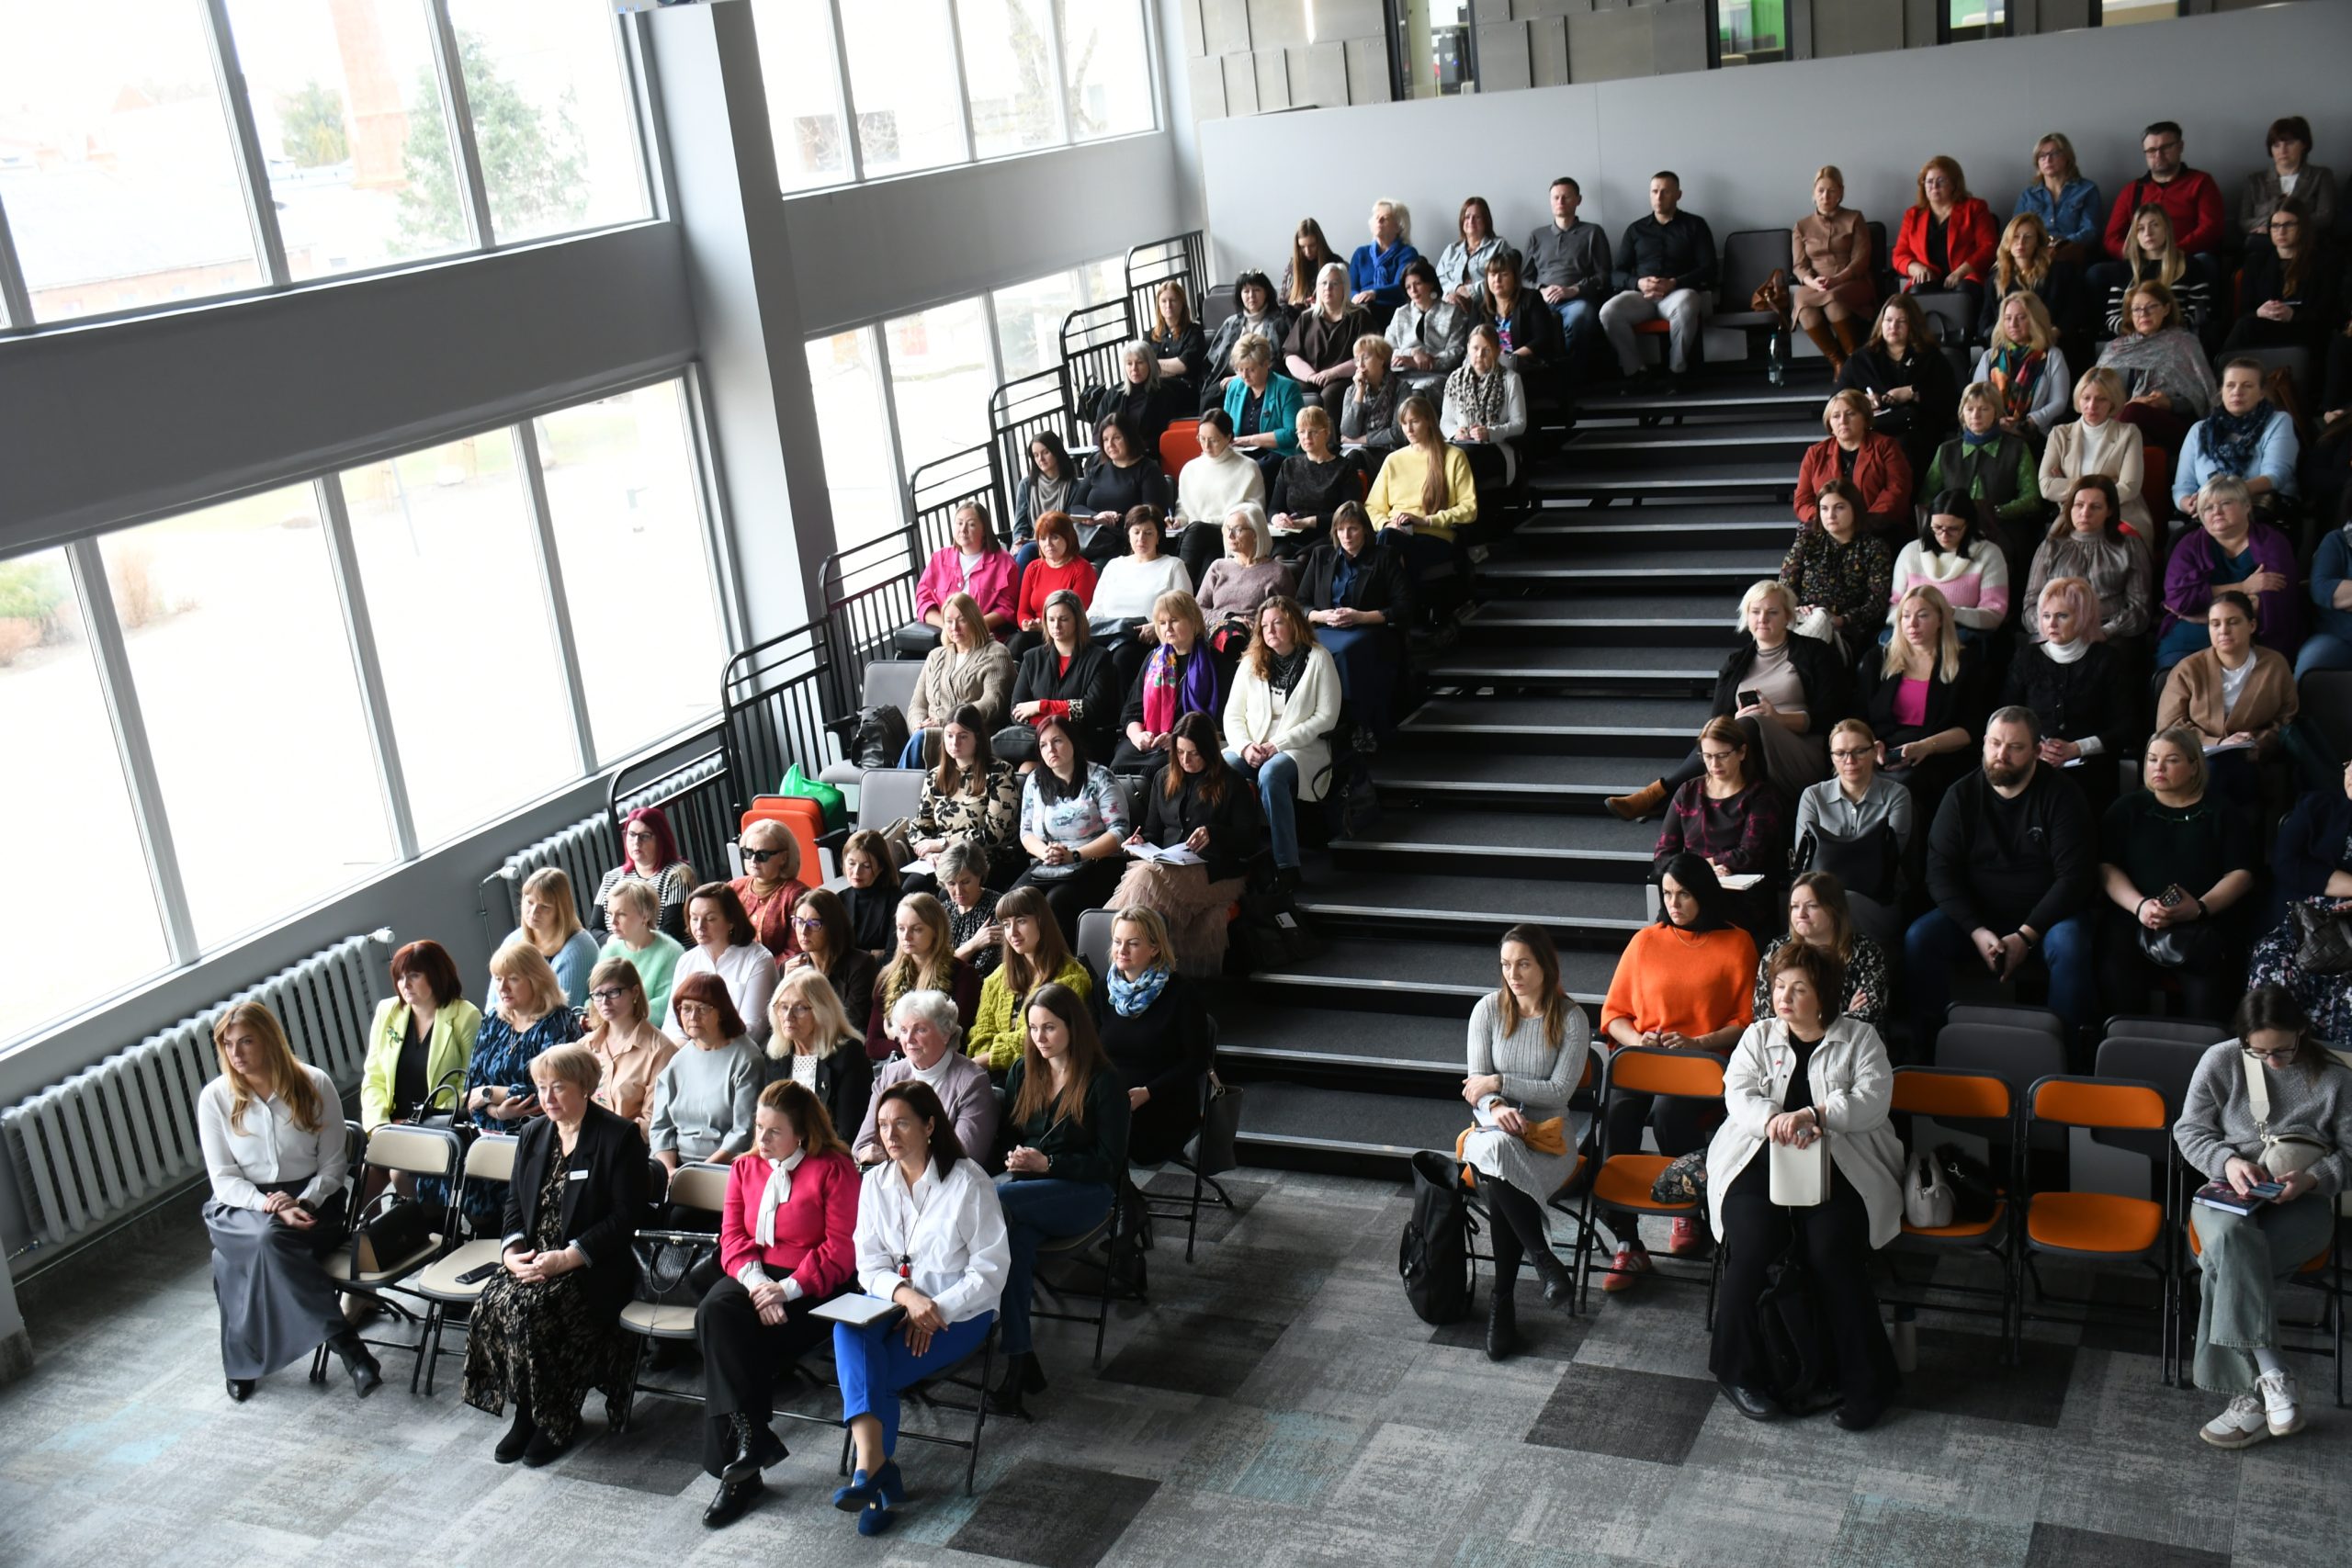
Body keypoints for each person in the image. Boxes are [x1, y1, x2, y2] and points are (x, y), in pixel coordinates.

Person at [1707, 942, 1904, 1429]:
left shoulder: (1860, 1039)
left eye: (1798, 989)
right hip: (1758, 1162)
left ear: (1824, 994)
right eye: (1779, 987)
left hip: (1840, 1166)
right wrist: (1773, 1119)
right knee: (1753, 1244)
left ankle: (1869, 1384)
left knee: (1832, 1251)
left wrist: (1817, 1114)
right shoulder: (1758, 1036)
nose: (1784, 998)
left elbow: (1873, 1101)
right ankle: (1736, 1372)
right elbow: (1737, 1094)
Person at [2174, 987, 2352, 1449]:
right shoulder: (2221, 1060)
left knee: (2223, 1266)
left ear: (2302, 1033)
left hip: (2301, 1203)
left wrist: (2311, 1179)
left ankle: (2251, 1401)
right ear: (2243, 1040)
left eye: (2282, 1051)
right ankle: (2273, 1375)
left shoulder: (2335, 1079)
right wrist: (2228, 1162)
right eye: (2259, 1052)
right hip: (2225, 1193)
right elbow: (2189, 1130)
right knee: (2231, 1244)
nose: (2272, 1062)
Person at [830, 1080, 1010, 1538]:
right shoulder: (875, 1182)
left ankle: (872, 1478)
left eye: (902, 1124)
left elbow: (990, 1272)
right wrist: (908, 1298)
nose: (889, 1135)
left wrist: (933, 1310)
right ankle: (875, 1470)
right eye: (883, 1125)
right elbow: (869, 1264)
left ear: (930, 1126)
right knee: (846, 1329)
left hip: (962, 1312)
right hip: (894, 1302)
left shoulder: (969, 1182)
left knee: (878, 1373)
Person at [462, 1042, 646, 1466]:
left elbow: (625, 1219)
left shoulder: (618, 1137)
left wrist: (568, 1257)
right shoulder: (533, 1133)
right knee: (492, 1303)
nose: (547, 1098)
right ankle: (526, 1411)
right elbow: (515, 1203)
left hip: (591, 1265)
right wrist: (511, 1252)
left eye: (558, 1087)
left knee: (534, 1311)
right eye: (541, 1087)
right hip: (534, 1258)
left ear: (585, 1087)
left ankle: (555, 1418)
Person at [694, 1079, 859, 1529]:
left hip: (815, 1287)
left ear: (802, 1133)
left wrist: (786, 1290)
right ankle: (752, 1440)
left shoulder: (835, 1169)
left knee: (733, 1344)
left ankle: (737, 1478)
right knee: (715, 1312)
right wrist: (759, 1285)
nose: (762, 1140)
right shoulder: (745, 1167)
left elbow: (841, 1251)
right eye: (758, 1128)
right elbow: (732, 1238)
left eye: (774, 1131)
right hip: (755, 1277)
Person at [200, 1000, 379, 1404]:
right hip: (241, 1207)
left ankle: (242, 1362)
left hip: (315, 1204)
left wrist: (306, 1201)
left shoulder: (314, 1083)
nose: (235, 1053)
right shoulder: (215, 1097)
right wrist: (272, 1206)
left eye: (246, 1041)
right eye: (227, 1044)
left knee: (232, 1258)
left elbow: (334, 1165)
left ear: (269, 1040)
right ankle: (351, 1351)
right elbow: (223, 1179)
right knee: (265, 1237)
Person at [1596, 854, 1757, 1288]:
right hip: (1647, 1058)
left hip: (1703, 1063)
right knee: (1618, 1110)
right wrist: (1637, 1040)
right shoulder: (1646, 941)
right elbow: (1614, 1015)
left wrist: (1698, 1042)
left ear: (1703, 893)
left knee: (1669, 1112)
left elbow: (1747, 1021)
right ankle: (1628, 1241)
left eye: (1683, 894)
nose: (1673, 903)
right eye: (1667, 894)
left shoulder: (1737, 943)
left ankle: (1686, 1203)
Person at [1905, 706, 2098, 1055]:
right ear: (1983, 743)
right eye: (1994, 743)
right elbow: (1940, 873)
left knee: (2071, 943)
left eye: (2015, 747)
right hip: (1979, 920)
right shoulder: (1961, 795)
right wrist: (1976, 930)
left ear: (2037, 752)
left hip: (2046, 921)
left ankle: (2067, 1057)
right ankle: (1929, 1052)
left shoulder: (2062, 795)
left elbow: (2074, 878)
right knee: (1920, 937)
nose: (2001, 755)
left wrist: (2025, 935)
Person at [989, 981, 1130, 1416]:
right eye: (1033, 1028)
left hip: (1087, 1193)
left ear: (1073, 1026)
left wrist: (1048, 1164)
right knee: (1013, 1243)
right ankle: (1019, 1362)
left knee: (992, 1203)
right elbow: (1007, 1137)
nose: (1039, 1037)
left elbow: (1110, 1164)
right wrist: (1015, 1157)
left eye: (1049, 1027)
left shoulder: (1104, 1081)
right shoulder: (1022, 1071)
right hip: (1027, 1191)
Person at [1610, 580, 1846, 818]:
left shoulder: (1816, 652)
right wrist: (1736, 721)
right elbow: (1717, 721)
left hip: (1800, 751)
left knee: (1747, 724)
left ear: (1787, 616)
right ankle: (1672, 801)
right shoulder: (1736, 662)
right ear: (1747, 616)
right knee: (1723, 730)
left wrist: (1777, 718)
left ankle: (1660, 794)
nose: (1762, 618)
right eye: (1755, 611)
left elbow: (1830, 716)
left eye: (1772, 612)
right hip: (1745, 742)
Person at [1463, 925, 1591, 1356]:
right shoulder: (1487, 1010)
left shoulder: (1571, 1018)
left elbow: (1559, 1092)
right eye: (1505, 964)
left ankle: (1502, 1300)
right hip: (1492, 1130)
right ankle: (1543, 1260)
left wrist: (1499, 1081)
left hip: (1548, 1138)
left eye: (1523, 964)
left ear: (1545, 966)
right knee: (1499, 1151)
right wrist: (1497, 1105)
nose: (1512, 974)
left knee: (1504, 1181)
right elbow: (1475, 1088)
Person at [2097, 728, 2256, 1024]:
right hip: (2135, 917)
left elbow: (2241, 874)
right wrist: (2140, 906)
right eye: (2152, 759)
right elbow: (2106, 868)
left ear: (2194, 765)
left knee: (2208, 1001)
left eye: (2171, 760)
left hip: (2202, 921)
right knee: (2117, 975)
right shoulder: (2126, 809)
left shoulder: (2223, 812)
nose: (2158, 767)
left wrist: (2199, 908)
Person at [1113, 711, 1260, 975]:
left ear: (1209, 752)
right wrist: (1140, 842)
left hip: (1216, 873)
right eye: (1180, 752)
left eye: (1193, 753)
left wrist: (1214, 834)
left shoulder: (1231, 782)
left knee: (1145, 880)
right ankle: (1140, 966)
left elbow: (1249, 842)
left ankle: (1125, 964)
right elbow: (1153, 833)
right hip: (1168, 868)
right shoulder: (1163, 777)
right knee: (1146, 881)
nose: (1185, 760)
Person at [456, 943, 583, 1224]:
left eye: (512, 979)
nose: (502, 988)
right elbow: (471, 1090)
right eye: (497, 978)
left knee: (492, 1188)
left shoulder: (558, 1022)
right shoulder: (494, 1021)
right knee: (446, 1176)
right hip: (490, 1130)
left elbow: (552, 1092)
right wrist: (497, 1111)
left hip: (542, 1134)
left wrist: (492, 1092)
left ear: (535, 979)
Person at [1224, 596, 1341, 895]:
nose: (1270, 630)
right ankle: (1230, 857)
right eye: (1264, 625)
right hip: (1254, 746)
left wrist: (1278, 744)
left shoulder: (1319, 659)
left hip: (1302, 748)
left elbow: (1326, 717)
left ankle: (1287, 866)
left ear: (1294, 624)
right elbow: (1232, 715)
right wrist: (1245, 747)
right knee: (1221, 767)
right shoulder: (1250, 662)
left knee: (1271, 774)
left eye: (1277, 622)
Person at [1998, 577, 2137, 812]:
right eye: (2046, 616)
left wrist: (2077, 748)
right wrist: (2037, 747)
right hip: (2032, 761)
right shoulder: (2026, 657)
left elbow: (2126, 727)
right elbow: (2006, 715)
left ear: (2083, 617)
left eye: (2062, 616)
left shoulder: (2107, 660)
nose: (2052, 623)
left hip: (2090, 768)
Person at [2155, 592, 2300, 814]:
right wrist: (2219, 742)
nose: (2223, 630)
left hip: (2254, 756)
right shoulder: (2188, 669)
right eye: (2215, 624)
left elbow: (2287, 716)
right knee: (2214, 771)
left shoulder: (2274, 665)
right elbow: (2169, 725)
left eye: (2233, 622)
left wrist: (2261, 740)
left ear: (2252, 625)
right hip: (2199, 756)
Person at [1093, 907, 1216, 1166]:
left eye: (1133, 943)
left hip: (1164, 1103)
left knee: (1102, 1131)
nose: (1122, 950)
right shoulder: (1103, 989)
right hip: (1112, 1097)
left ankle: (1112, 1186)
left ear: (1155, 948)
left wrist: (1149, 1092)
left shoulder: (1181, 993)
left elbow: (1196, 1061)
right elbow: (1090, 1051)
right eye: (1117, 941)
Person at [1650, 716, 1786, 939]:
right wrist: (1702, 870)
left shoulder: (1761, 795)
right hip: (1690, 891)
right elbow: (1662, 855)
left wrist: (1702, 866)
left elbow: (1750, 855)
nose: (1714, 764)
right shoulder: (1688, 792)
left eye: (1722, 755)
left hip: (1741, 897)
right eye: (1707, 756)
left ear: (1742, 752)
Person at [2247, 762, 2352, 1040]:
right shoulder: (2317, 806)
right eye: (2351, 765)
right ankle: (2272, 1054)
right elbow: (2286, 863)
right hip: (2300, 927)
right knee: (2272, 960)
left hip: (2349, 935)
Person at [2156, 477, 2302, 672]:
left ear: (2247, 506)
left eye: (2225, 503)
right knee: (2175, 676)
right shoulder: (2188, 544)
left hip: (2254, 635)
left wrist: (2200, 616)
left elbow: (2272, 604)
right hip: (2191, 636)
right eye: (2208, 508)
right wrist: (2244, 588)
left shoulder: (2273, 542)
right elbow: (2179, 600)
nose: (2216, 512)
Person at [1793, 721, 1915, 949]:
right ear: (1832, 757)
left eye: (1859, 751)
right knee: (1809, 908)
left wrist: (1830, 854)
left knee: (1834, 906)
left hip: (1877, 901)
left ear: (1875, 751)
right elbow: (1806, 860)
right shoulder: (1813, 796)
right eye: (1840, 753)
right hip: (1820, 901)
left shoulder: (1897, 795)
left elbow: (1885, 860)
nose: (1850, 761)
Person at [1864, 583, 1982, 807]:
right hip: (1883, 751)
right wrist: (1871, 744)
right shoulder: (1877, 660)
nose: (1913, 624)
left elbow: (1971, 729)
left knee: (1906, 787)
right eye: (1906, 616)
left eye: (1923, 615)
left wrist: (1927, 746)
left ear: (1941, 620)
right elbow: (1858, 715)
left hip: (1938, 753)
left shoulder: (1965, 662)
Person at [1299, 501, 1411, 733]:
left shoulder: (1384, 556)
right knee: (1299, 648)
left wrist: (1360, 617)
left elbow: (1403, 607)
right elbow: (1300, 603)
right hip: (1325, 627)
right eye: (1340, 529)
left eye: (1353, 529)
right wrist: (1321, 615)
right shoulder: (1321, 555)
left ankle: (1357, 724)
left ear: (1365, 531)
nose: (1346, 536)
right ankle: (1307, 721)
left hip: (1369, 629)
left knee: (1346, 652)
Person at [852, 993, 1001, 1167]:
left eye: (920, 1030)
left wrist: (889, 1155)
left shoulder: (972, 1082)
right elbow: (861, 1149)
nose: (909, 1039)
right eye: (904, 1030)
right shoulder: (890, 1075)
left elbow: (963, 1159)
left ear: (945, 1034)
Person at [1017, 714, 1131, 935]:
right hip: (1051, 863)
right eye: (1043, 745)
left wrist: (1075, 855)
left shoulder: (1100, 777)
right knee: (1017, 899)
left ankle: (1063, 956)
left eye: (1057, 741)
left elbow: (1119, 832)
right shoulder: (1035, 781)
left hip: (1097, 862)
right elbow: (1026, 831)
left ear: (1072, 741)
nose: (1051, 749)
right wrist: (1046, 853)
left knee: (1057, 900)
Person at [1602, 171, 1716, 391]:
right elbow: (1616, 273)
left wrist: (1674, 282)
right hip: (1641, 296)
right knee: (1608, 312)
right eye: (1654, 191)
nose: (1659, 197)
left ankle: (1676, 371)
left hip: (1677, 293)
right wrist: (1638, 283)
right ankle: (1636, 372)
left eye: (1665, 192)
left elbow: (1709, 269)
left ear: (1678, 195)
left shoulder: (1695, 225)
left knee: (1688, 301)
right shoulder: (1636, 229)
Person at [967, 884, 1094, 1073]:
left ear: (1041, 922)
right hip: (993, 1074)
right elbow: (981, 1035)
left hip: (1045, 1073)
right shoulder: (996, 978)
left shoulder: (1072, 978)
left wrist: (986, 1059)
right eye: (1006, 924)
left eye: (1021, 921)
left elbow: (1036, 1039)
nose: (1013, 932)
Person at [1833, 294, 1959, 481]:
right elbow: (1836, 401)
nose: (1893, 326)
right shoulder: (1861, 360)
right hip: (1873, 432)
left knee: (1905, 449)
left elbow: (1950, 402)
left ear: (1912, 325)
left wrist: (1913, 393)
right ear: (1881, 323)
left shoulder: (1931, 358)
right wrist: (1863, 402)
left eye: (1901, 322)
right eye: (1889, 320)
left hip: (1918, 434)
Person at [2092, 121, 2224, 299]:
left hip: (2185, 257)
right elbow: (2111, 238)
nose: (2158, 155)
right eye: (2151, 150)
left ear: (2180, 147)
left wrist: (2172, 252)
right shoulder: (2132, 190)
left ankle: (2202, 316)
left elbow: (2211, 228)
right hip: (2140, 261)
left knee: (2205, 263)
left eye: (2166, 147)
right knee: (2096, 273)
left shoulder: (2201, 182)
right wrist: (2135, 254)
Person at [360, 939, 480, 1131]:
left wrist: (422, 1123)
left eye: (414, 976)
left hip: (442, 1126)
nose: (405, 985)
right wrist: (379, 1126)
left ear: (437, 975)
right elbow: (374, 1077)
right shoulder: (386, 1010)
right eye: (400, 977)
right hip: (392, 1126)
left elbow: (469, 1084)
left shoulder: (466, 1016)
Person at [650, 971, 763, 1172]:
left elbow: (743, 1132)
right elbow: (661, 1127)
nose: (693, 1017)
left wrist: (696, 1173)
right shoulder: (678, 1060)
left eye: (702, 1009)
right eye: (686, 1009)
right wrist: (669, 1170)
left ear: (722, 1012)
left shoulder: (747, 1058)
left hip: (724, 1169)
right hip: (674, 1167)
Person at [1365, 394, 1477, 594]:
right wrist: (1386, 523)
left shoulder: (1454, 457)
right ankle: (1397, 605)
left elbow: (1469, 509)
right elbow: (1371, 507)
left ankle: (1381, 605)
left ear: (1428, 421)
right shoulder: (1393, 460)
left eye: (1414, 422)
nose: (1408, 429)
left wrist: (1426, 520)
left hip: (1435, 536)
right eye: (1404, 423)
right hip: (1394, 533)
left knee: (1387, 549)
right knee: (1385, 541)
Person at [2025, 475, 2154, 642]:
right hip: (2055, 633)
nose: (2085, 513)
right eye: (2079, 505)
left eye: (2096, 507)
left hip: (2110, 634)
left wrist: (2106, 631)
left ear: (2109, 511)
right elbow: (2032, 602)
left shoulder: (2129, 547)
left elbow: (2139, 607)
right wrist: (2051, 630)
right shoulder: (2050, 547)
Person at [1924, 390, 2041, 570]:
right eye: (1970, 409)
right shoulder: (1947, 450)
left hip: (2000, 530)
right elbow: (1926, 497)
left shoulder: (2016, 448)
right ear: (1962, 413)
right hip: (1950, 533)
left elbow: (2032, 498)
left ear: (1997, 412)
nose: (1975, 415)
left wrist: (1995, 512)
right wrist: (1945, 521)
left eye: (1984, 409)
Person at [1781, 478, 1894, 660]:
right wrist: (1799, 608)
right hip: (1803, 619)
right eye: (1824, 509)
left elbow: (1876, 603)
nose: (1830, 515)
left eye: (1839, 508)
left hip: (1847, 630)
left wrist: (1843, 619)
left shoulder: (1874, 548)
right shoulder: (1807, 541)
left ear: (1854, 509)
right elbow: (1785, 588)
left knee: (1818, 625)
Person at [2097, 281, 2215, 451]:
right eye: (2136, 309)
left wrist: (2169, 403)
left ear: (2166, 309)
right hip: (2121, 420)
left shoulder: (2184, 343)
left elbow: (2201, 398)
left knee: (2133, 413)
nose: (2143, 314)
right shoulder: (2115, 349)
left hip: (2171, 422)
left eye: (2151, 307)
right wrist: (2126, 404)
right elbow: (2095, 392)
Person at [2174, 362, 2301, 519]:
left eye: (2247, 386)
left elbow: (2276, 476)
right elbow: (2182, 487)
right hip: (2208, 516)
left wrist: (2222, 495)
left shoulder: (2278, 421)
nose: (2237, 392)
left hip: (2262, 512)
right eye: (2230, 385)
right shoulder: (2199, 430)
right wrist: (2189, 504)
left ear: (2261, 393)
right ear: (2221, 391)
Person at [901, 592, 1015, 767]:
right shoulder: (935, 656)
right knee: (921, 738)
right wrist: (919, 725)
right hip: (930, 736)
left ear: (975, 620)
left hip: (971, 738)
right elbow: (917, 704)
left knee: (921, 740)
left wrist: (946, 723)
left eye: (962, 620)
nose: (954, 627)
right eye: (949, 621)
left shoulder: (996, 654)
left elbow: (992, 703)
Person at [864, 893, 978, 1063]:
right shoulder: (887, 977)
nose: (906, 936)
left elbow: (951, 1042)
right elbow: (873, 1045)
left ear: (936, 931)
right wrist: (914, 1045)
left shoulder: (963, 975)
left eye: (916, 929)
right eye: (901, 928)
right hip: (897, 1068)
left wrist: (897, 1036)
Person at [1116, 592, 1222, 774]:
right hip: (1148, 739)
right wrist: (1138, 736)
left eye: (1174, 620)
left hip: (1189, 744)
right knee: (1119, 766)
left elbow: (1216, 721)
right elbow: (1132, 711)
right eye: (1162, 623)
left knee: (1156, 771)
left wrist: (1177, 739)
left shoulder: (1214, 661)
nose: (1168, 628)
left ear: (1193, 621)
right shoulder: (1153, 659)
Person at [1892, 154, 1998, 333]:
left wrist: (1962, 271)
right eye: (1929, 181)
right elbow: (1899, 254)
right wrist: (1914, 267)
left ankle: (1964, 343)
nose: (1934, 186)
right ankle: (1925, 344)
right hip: (1928, 277)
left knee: (1964, 292)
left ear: (1954, 184)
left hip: (1966, 276)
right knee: (1917, 292)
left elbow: (1989, 246)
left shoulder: (1975, 208)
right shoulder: (1913, 215)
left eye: (1941, 180)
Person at [1091, 508, 1193, 693]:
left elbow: (1186, 611)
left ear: (1158, 536)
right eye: (1136, 532)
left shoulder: (1172, 566)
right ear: (1128, 534)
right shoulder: (1114, 566)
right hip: (1109, 634)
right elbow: (1095, 610)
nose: (1141, 539)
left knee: (1122, 657)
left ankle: (1124, 712)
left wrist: (1158, 627)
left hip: (1146, 638)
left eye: (1148, 533)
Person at [665, 883, 779, 1048]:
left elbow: (754, 1026)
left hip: (741, 1053)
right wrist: (688, 1052)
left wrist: (709, 1049)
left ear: (731, 921)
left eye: (710, 919)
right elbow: (672, 1023)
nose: (699, 927)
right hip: (691, 1051)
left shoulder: (758, 959)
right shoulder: (686, 960)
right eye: (694, 918)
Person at [770, 966, 876, 1142]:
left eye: (800, 1008)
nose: (788, 1016)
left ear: (822, 1011)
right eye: (783, 1007)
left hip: (828, 1154)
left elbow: (848, 1133)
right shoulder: (776, 1056)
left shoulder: (849, 1054)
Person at [2039, 369, 2151, 532]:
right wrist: (2107, 483)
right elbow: (2046, 486)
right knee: (2056, 543)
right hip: (2075, 516)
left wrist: (2070, 485)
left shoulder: (2129, 433)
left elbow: (2129, 487)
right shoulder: (2059, 434)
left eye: (2101, 399)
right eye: (2086, 398)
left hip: (2120, 514)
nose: (2092, 406)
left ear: (2112, 401)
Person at [1888, 494, 2009, 644]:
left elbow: (1994, 613)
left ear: (1968, 525)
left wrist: (1949, 613)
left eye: (1953, 529)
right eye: (1937, 527)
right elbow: (1896, 605)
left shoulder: (1989, 554)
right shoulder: (1910, 552)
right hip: (1912, 632)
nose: (1944, 535)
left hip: (1960, 633)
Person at [915, 703, 1023, 870]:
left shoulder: (1000, 772)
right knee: (912, 883)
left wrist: (943, 843)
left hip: (985, 859)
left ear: (977, 738)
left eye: (963, 736)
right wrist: (929, 854)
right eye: (949, 736)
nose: (955, 743)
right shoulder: (935, 776)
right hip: (941, 858)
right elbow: (919, 826)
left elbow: (993, 834)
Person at [580, 955, 676, 1138]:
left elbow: (653, 1123)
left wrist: (606, 1137)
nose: (605, 1002)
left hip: (631, 1147)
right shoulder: (585, 1046)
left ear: (635, 992)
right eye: (598, 994)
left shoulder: (660, 1050)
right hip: (587, 1143)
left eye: (613, 992)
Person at [1790, 164, 1873, 374]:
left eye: (1831, 191)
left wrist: (1837, 279)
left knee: (1834, 301)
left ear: (1840, 192)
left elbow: (1861, 260)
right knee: (1803, 305)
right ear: (1814, 193)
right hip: (1816, 283)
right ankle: (1838, 362)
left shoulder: (1855, 218)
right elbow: (1799, 266)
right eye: (1821, 191)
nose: (1825, 196)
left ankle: (1854, 359)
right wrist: (1811, 281)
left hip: (1851, 280)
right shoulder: (1801, 226)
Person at [1793, 391, 1914, 536]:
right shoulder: (1815, 453)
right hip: (1829, 531)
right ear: (1829, 423)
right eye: (1836, 416)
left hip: (1876, 528)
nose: (1843, 421)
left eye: (1850, 414)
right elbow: (1802, 500)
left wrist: (1864, 522)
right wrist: (1826, 520)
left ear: (1865, 418)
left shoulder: (1886, 446)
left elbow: (1898, 490)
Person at [1525, 175, 1612, 372]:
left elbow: (1605, 275)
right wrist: (1541, 290)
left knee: (1580, 316)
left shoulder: (1592, 232)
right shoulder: (1537, 236)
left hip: (1577, 299)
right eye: (1556, 197)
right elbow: (1524, 278)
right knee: (1523, 320)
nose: (1560, 202)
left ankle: (1572, 373)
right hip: (1541, 300)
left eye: (1566, 197)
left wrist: (1573, 290)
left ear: (1578, 200)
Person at [2225, 200, 2335, 354]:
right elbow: (2245, 310)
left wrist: (2293, 315)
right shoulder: (2256, 263)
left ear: (2302, 227)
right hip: (2263, 326)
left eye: (2288, 225)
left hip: (2304, 331)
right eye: (2275, 226)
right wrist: (2259, 312)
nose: (2281, 231)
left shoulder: (2323, 264)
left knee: (2246, 328)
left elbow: (2326, 315)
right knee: (2245, 326)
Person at [1173, 411, 1266, 585]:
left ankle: (1179, 591)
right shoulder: (1190, 469)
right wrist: (1178, 520)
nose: (1206, 446)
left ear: (1228, 437)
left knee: (1198, 532)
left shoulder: (1248, 467)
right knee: (1207, 558)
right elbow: (1183, 507)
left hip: (1230, 534)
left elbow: (1253, 511)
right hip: (1197, 536)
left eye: (1213, 440)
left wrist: (1212, 522)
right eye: (1202, 439)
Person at [2098, 205, 2214, 340]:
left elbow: (2199, 313)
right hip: (2135, 342)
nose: (2148, 233)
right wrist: (2139, 334)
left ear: (2166, 229)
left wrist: (2164, 334)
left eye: (2155, 225)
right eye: (2141, 229)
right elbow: (2113, 317)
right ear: (2136, 236)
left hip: (2176, 341)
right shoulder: (2124, 269)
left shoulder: (2189, 265)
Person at [1970, 292, 2072, 445]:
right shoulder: (1989, 356)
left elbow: (2059, 401)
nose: (2013, 324)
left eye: (2021, 318)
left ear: (2035, 320)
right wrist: (1997, 421)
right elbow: (1976, 397)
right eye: (2008, 318)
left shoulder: (2053, 356)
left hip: (2035, 434)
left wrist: (2031, 422)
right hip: (1993, 431)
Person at [1069, 416, 1173, 558]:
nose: (1110, 444)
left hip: (1130, 540)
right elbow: (1075, 507)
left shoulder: (1148, 470)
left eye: (1116, 438)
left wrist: (1112, 519)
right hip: (1093, 537)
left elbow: (1151, 515)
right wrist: (1096, 517)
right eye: (1105, 439)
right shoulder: (1097, 471)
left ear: (1129, 438)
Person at [784, 887, 880, 1040]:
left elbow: (852, 1025)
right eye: (799, 922)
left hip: (841, 1046)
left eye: (813, 923)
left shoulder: (861, 965)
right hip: (801, 1046)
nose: (803, 931)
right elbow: (782, 1025)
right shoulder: (791, 968)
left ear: (833, 927)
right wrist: (787, 986)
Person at [1442, 324, 1528, 493]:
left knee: (1462, 461)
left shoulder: (1510, 379)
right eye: (1475, 348)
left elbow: (1519, 423)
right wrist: (1455, 433)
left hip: (1495, 448)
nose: (1479, 355)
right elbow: (1446, 421)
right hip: (1461, 446)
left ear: (1497, 351)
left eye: (1486, 350)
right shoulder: (1454, 379)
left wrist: (1490, 433)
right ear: (1468, 348)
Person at [590, 805, 695, 942]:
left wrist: (629, 946)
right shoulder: (611, 878)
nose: (636, 842)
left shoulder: (678, 875)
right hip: (621, 953)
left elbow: (670, 933)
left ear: (661, 839)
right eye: (631, 834)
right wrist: (619, 945)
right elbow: (594, 930)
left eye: (645, 836)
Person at [1269, 405, 1363, 559]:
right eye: (1302, 432)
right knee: (1279, 560)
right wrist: (1277, 518)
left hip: (1328, 535)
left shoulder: (1345, 467)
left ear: (1326, 432)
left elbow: (1349, 514)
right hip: (1291, 533)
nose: (1307, 437)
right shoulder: (1289, 465)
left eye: (1313, 431)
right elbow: (1273, 508)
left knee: (1303, 560)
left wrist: (1307, 522)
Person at [496, 867, 599, 1008]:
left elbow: (562, 1011)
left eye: (544, 906)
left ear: (560, 910)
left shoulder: (579, 949)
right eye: (530, 902)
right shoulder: (513, 940)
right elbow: (493, 1004)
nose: (534, 912)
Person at [912, 502, 1016, 637]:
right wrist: (948, 627)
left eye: (971, 524)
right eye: (959, 523)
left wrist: (973, 627)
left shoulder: (1004, 563)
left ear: (984, 530)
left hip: (982, 637)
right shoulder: (939, 559)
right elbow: (923, 601)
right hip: (945, 637)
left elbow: (1006, 608)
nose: (963, 529)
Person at [1980, 214, 2086, 346]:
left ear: (2038, 242)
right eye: (2015, 236)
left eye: (2028, 237)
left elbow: (2075, 311)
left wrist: (2053, 334)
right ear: (2007, 241)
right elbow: (1985, 322)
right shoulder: (1996, 279)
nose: (2021, 242)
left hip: (2052, 343)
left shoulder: (2061, 272)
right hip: (2009, 346)